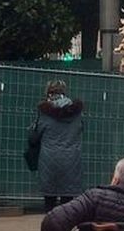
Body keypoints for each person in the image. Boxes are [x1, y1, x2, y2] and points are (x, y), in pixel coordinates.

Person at [29, 80, 84, 212]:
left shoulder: (44, 111)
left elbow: (34, 136)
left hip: (49, 158)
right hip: (71, 158)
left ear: (48, 92)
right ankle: (65, 230)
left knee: (50, 201)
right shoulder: (76, 112)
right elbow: (81, 129)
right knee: (68, 202)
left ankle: (50, 226)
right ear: (64, 92)